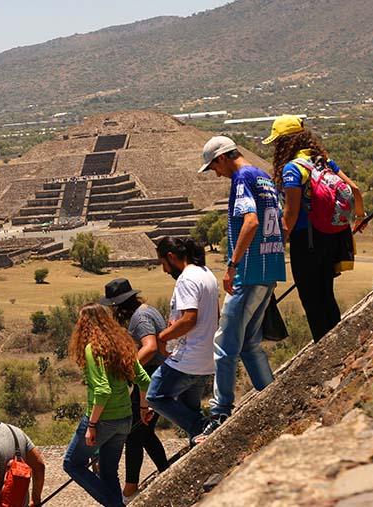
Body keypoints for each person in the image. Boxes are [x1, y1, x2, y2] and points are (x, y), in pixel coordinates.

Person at [194, 136, 286, 441]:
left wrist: (232, 265)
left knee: (224, 343)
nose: (216, 174)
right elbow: (281, 224)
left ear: (222, 158)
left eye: (214, 167)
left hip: (249, 271)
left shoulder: (242, 178)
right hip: (269, 267)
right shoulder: (263, 176)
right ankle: (271, 398)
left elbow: (250, 222)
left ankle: (220, 411)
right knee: (249, 342)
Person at [263, 115, 364, 342]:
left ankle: (325, 348)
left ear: (284, 143)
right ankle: (338, 341)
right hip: (332, 237)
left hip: (306, 241)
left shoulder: (292, 169)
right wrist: (359, 217)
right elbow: (355, 189)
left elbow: (290, 213)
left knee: (311, 298)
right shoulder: (323, 161)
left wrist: (277, 247)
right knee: (326, 294)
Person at [63, 304, 151, 507]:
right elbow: (144, 380)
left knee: (72, 463)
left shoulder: (92, 349)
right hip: (125, 420)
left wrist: (92, 425)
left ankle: (115, 504)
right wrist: (143, 408)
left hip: (103, 421)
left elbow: (102, 391)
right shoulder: (123, 346)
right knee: (109, 472)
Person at [100, 279, 169, 502]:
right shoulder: (146, 311)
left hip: (152, 377)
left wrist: (126, 371)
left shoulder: (140, 318)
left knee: (134, 433)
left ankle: (130, 490)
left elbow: (150, 347)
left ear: (120, 305)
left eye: (113, 306)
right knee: (144, 431)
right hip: (158, 375)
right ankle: (166, 470)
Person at [146, 237, 219, 444]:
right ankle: (198, 438)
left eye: (163, 264)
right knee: (188, 410)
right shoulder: (207, 274)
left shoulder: (186, 279)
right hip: (208, 358)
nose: (165, 270)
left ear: (171, 257)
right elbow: (214, 314)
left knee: (156, 396)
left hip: (189, 358)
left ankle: (203, 426)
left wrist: (163, 336)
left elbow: (189, 319)